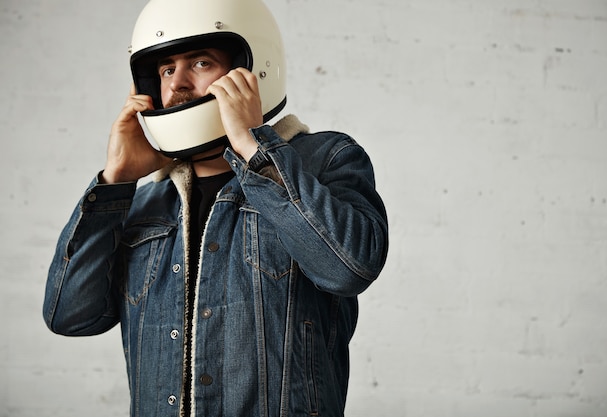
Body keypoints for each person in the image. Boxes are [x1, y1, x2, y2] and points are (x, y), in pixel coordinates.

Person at [43, 0, 388, 415]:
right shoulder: (147, 200)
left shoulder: (326, 159)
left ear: (253, 70)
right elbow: (69, 316)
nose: (177, 85)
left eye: (201, 62)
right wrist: (115, 180)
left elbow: (349, 267)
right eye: (167, 69)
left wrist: (253, 147)